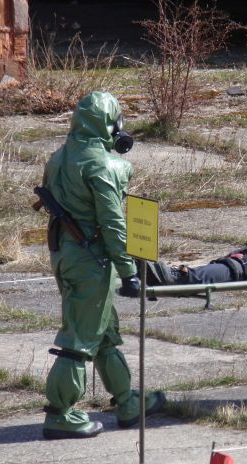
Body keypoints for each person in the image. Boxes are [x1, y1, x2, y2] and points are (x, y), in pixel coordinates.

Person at [41, 92, 166, 439]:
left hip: (65, 254)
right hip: (91, 261)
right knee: (80, 339)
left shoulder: (59, 158)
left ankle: (127, 402)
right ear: (110, 124)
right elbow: (112, 224)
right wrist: (129, 272)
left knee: (104, 333)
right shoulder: (104, 166)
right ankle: (59, 413)